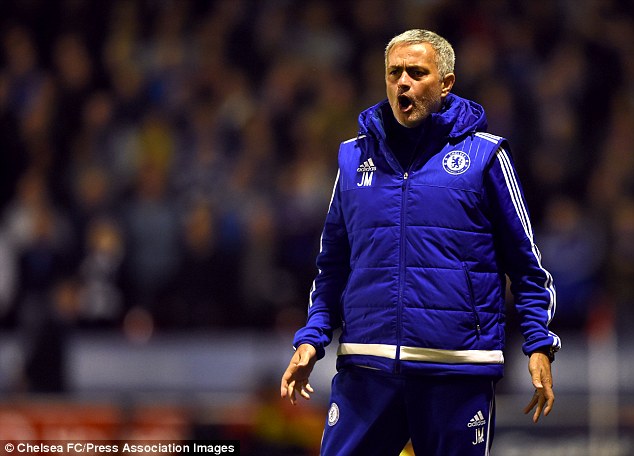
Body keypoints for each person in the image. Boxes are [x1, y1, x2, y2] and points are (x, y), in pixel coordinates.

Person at [280, 29, 561, 455]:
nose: (403, 83)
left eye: (416, 72)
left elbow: (525, 265)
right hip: (366, 367)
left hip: (457, 370)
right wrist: (312, 337)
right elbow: (332, 265)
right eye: (394, 73)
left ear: (445, 83)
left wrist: (538, 342)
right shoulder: (353, 158)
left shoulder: (485, 157)